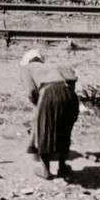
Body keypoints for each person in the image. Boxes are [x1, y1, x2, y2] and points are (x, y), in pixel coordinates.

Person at [20, 49, 79, 180]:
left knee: (44, 132)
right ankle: (62, 168)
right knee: (64, 131)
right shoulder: (53, 65)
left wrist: (40, 106)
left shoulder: (27, 68)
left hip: (49, 93)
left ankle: (45, 171)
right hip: (69, 93)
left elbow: (31, 92)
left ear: (28, 60)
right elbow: (72, 78)